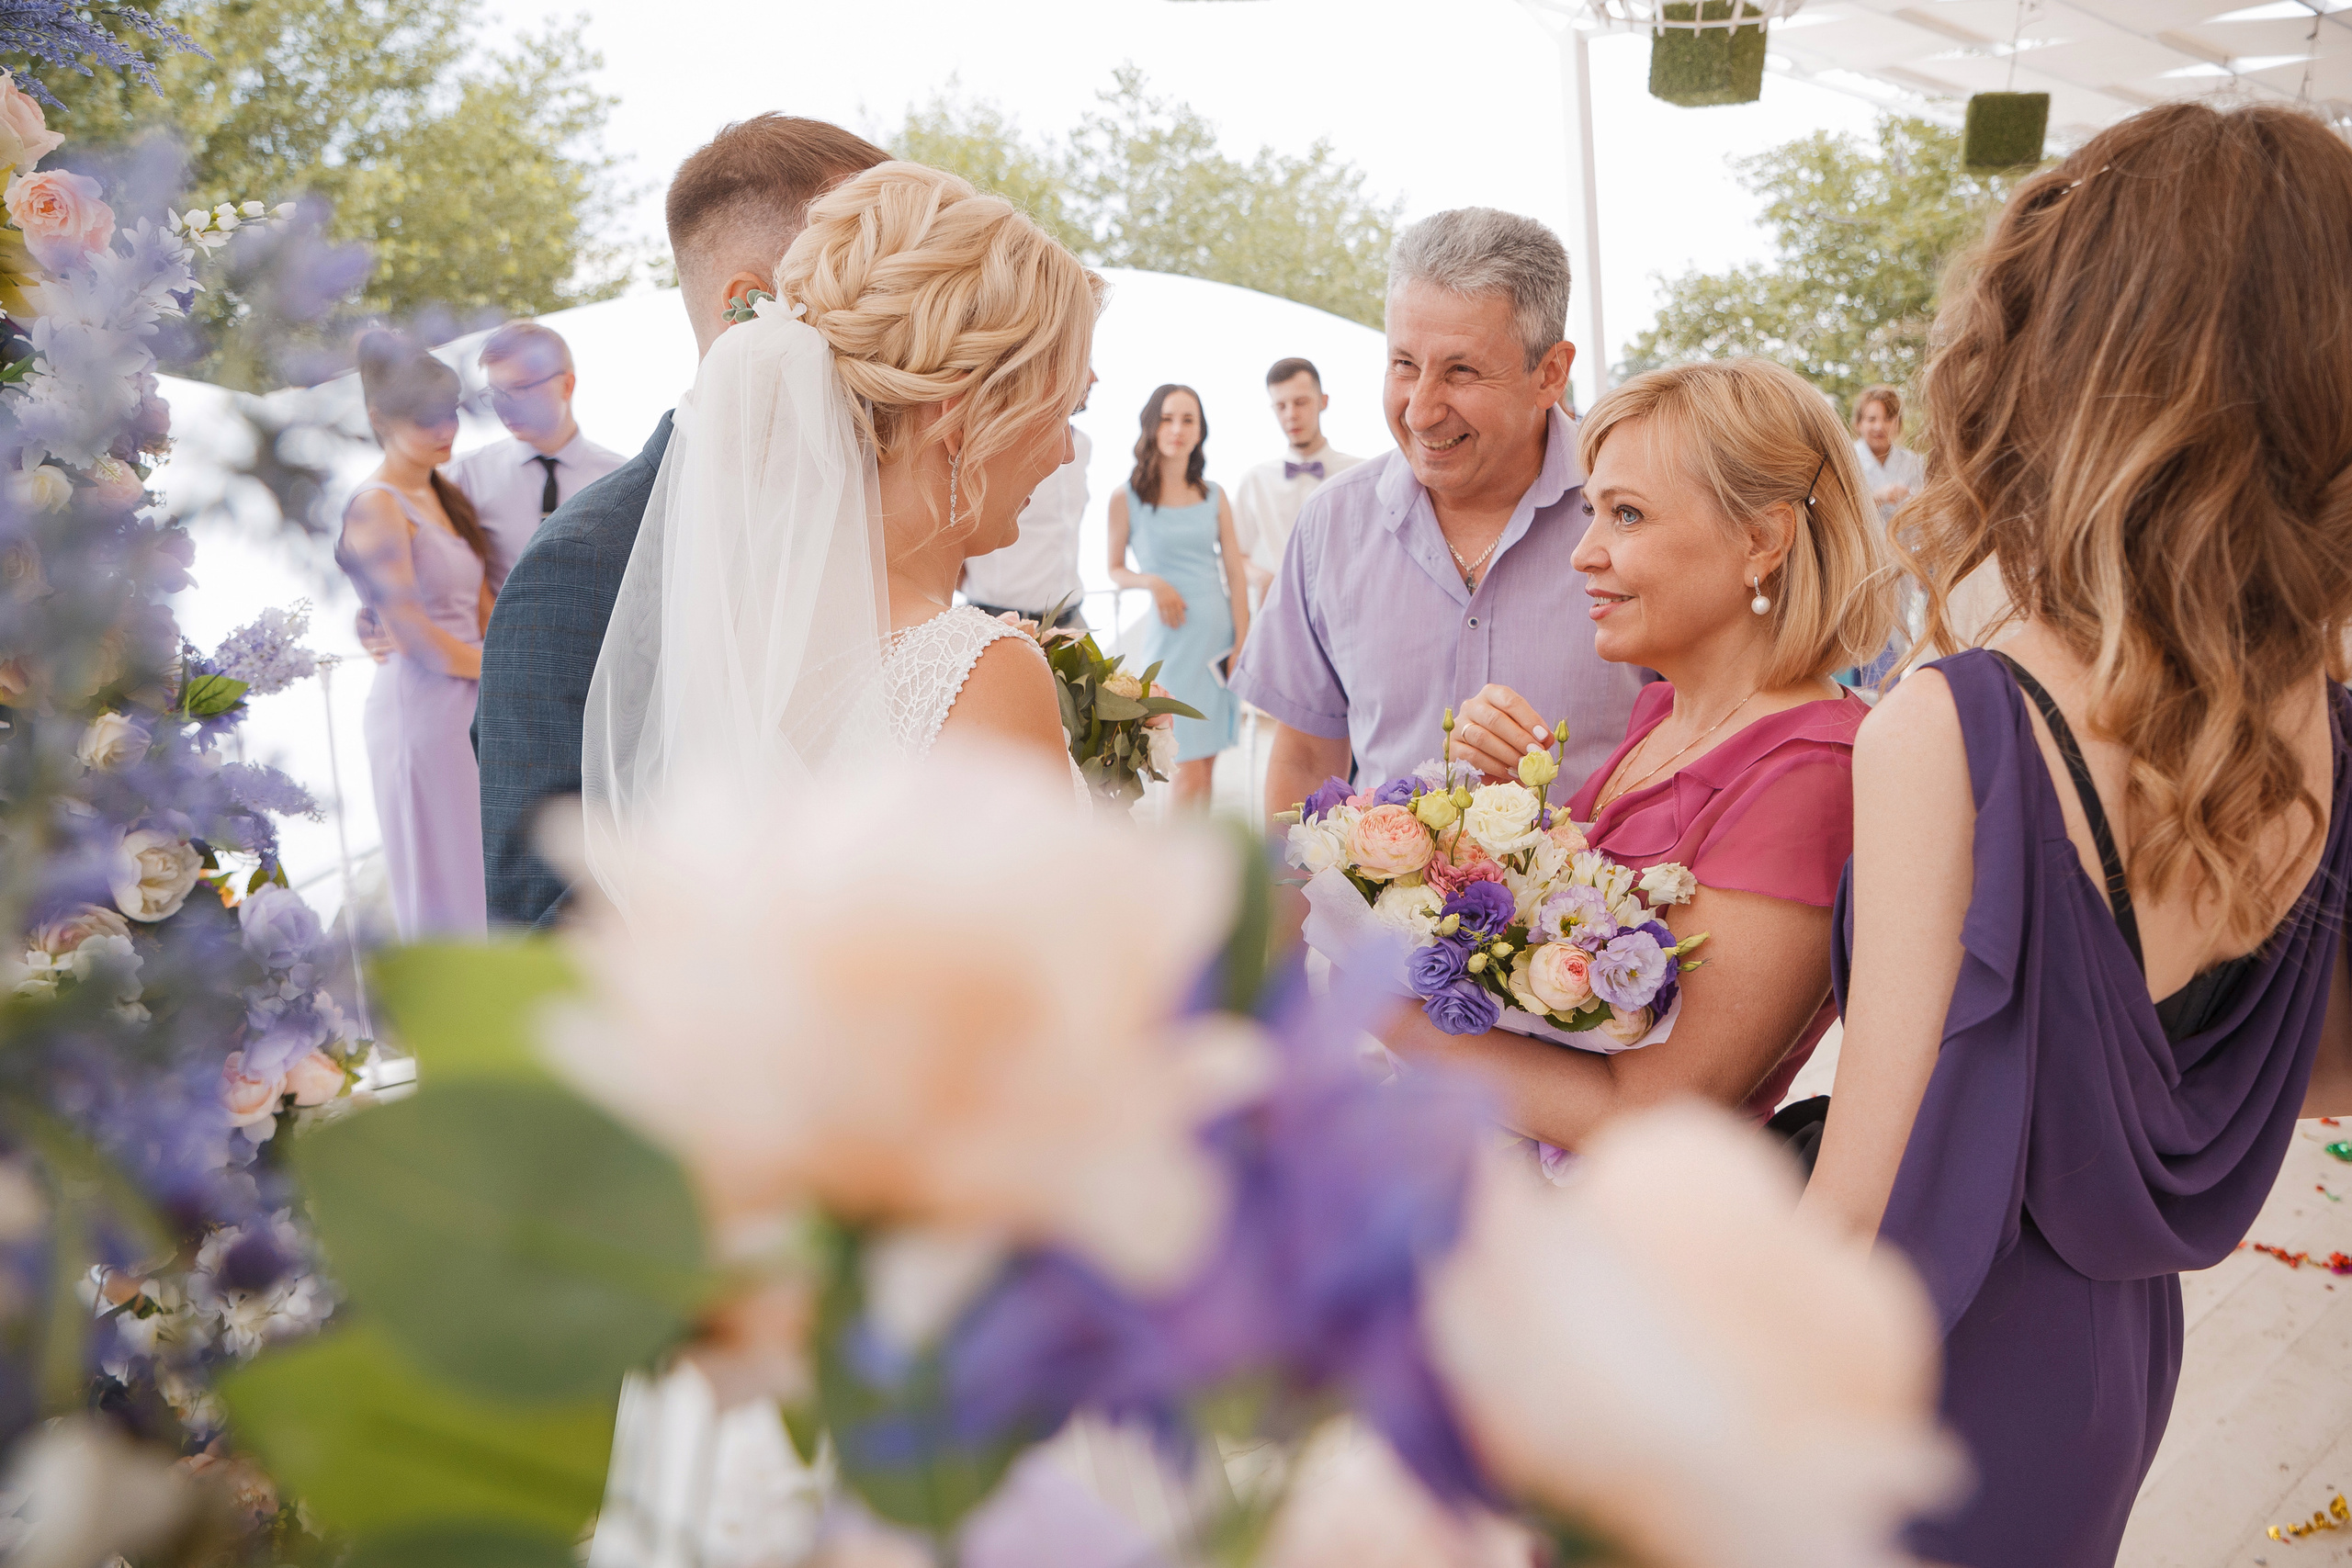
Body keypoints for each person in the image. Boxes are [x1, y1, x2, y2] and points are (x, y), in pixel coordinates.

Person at [589, 159, 1201, 1563]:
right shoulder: (978, 670)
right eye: (1061, 405)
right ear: (962, 416)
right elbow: (1051, 1062)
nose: (1067, 450)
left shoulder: (746, 656)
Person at [1803, 102, 2352, 1568]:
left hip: (1924, 1393)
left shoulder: (1960, 727)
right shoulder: (2318, 717)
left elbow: (1861, 1205)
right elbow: (2321, 1074)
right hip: (2118, 1360)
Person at [1398, 358, 1895, 1146]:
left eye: (1626, 515)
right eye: (1591, 512)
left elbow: (1652, 1110)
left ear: (1761, 539)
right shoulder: (1665, 711)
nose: (1582, 552)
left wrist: (1391, 1014)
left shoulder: (1810, 771)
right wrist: (1498, 818)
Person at [474, 114, 888, 929]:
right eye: (872, 280)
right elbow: (542, 926)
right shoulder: (580, 563)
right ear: (747, 307)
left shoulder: (885, 518)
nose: (902, 317)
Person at [1231, 209, 1651, 816]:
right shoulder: (1329, 524)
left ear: (1551, 373)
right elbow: (1303, 759)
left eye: (1462, 371)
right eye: (1404, 364)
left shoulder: (1644, 512)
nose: (1421, 411)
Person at [335, 331, 498, 939]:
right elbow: (412, 634)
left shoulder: (442, 494)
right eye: (425, 417)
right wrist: (507, 668)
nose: (444, 429)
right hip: (423, 711)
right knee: (450, 886)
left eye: (450, 412)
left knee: (490, 875)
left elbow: (485, 610)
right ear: (379, 417)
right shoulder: (375, 505)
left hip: (476, 698)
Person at [1107, 384, 1250, 807]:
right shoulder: (1126, 497)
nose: (1177, 429)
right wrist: (1153, 582)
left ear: (1201, 430)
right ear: (1152, 425)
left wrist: (1243, 641)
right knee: (1184, 767)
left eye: (1188, 420)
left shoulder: (1214, 495)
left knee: (1206, 768)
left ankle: (1199, 848)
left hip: (1218, 643)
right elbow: (1115, 569)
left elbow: (1235, 574)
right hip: (1172, 644)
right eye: (1168, 418)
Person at [448, 321, 626, 591]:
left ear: (567, 385)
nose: (504, 406)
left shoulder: (622, 479)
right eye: (495, 392)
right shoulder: (465, 476)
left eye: (521, 388)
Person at [961, 369, 1097, 629]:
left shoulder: (1083, 445)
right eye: (1085, 365)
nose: (1094, 377)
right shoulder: (998, 441)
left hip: (1070, 620)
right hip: (1001, 621)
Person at [1231, 357, 1363, 607]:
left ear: (1323, 401)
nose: (1291, 415)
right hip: (1282, 610)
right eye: (1281, 406)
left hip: (1350, 607)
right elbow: (1235, 555)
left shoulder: (1360, 475)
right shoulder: (1255, 481)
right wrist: (1261, 578)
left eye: (1301, 402)